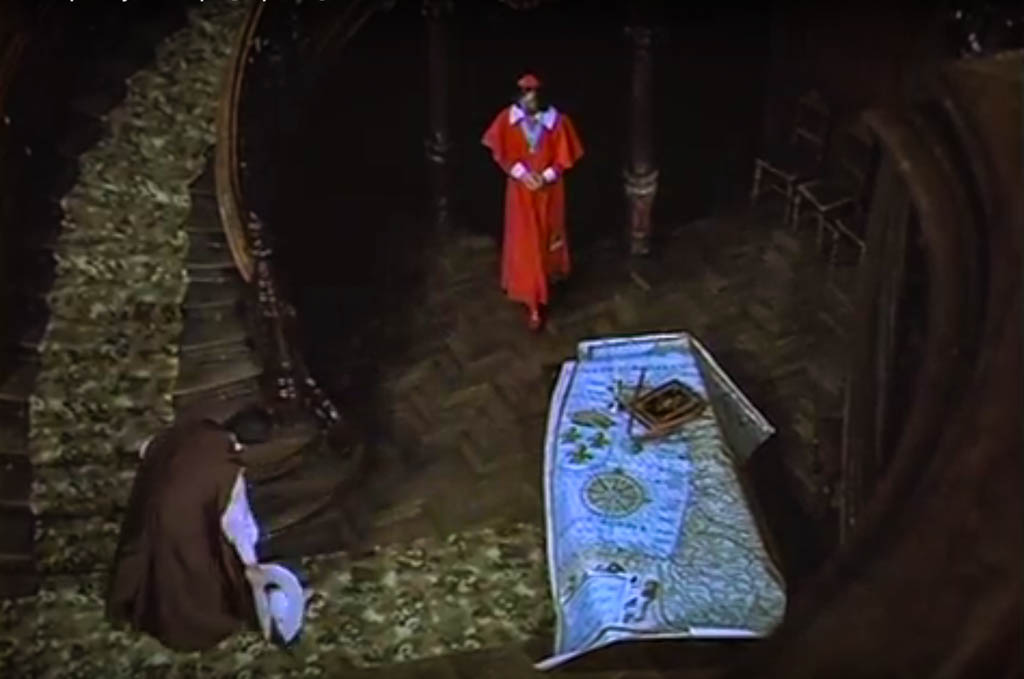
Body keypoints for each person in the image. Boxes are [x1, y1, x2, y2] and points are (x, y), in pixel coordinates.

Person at [105, 405, 307, 651]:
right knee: (192, 571)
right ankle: (181, 621)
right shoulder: (226, 467)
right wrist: (249, 564)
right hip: (178, 528)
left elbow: (149, 448)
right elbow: (234, 522)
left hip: (147, 511)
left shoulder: (193, 429)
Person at [482, 73, 584, 331]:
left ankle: (551, 274)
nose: (529, 99)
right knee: (525, 242)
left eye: (534, 94)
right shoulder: (507, 120)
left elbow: (564, 157)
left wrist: (545, 176)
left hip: (549, 191)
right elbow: (502, 153)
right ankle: (532, 299)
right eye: (525, 93)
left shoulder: (557, 122)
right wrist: (523, 175)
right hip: (521, 192)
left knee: (549, 236)